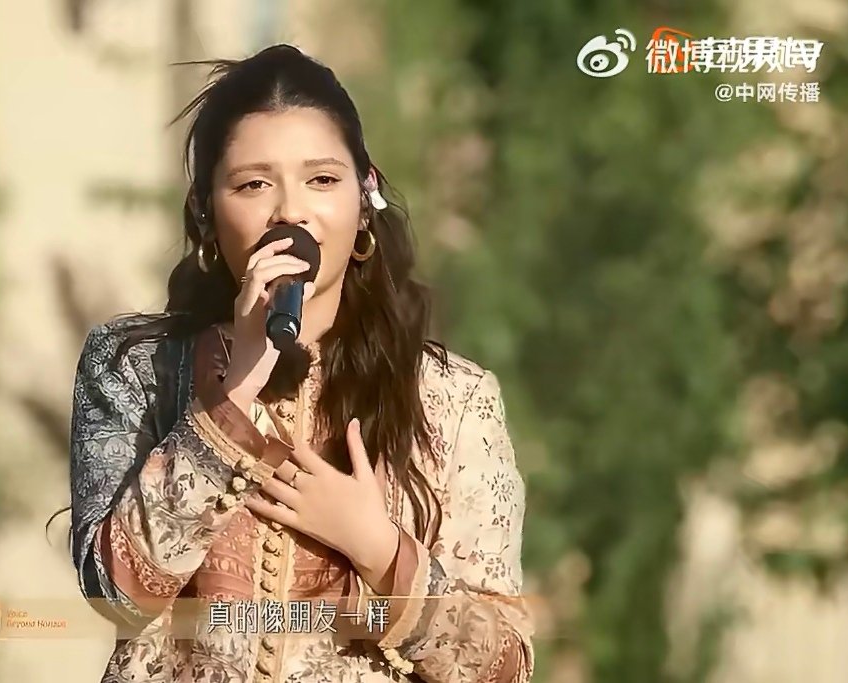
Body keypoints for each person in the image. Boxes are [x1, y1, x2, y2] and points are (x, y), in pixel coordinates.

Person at [66, 44, 533, 683]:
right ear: (206, 212)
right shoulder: (136, 367)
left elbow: (504, 666)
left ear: (365, 199)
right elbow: (116, 595)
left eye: (322, 180)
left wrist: (381, 550)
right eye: (253, 184)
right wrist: (230, 399)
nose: (290, 211)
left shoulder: (454, 398)